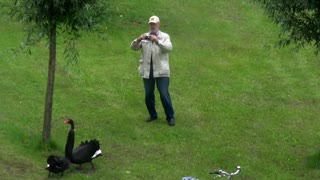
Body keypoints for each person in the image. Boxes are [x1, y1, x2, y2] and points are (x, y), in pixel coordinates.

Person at [130, 15, 175, 126]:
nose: (152, 25)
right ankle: (153, 115)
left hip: (162, 71)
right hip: (147, 70)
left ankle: (170, 117)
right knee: (148, 95)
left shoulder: (164, 36)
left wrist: (157, 41)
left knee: (164, 94)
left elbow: (169, 48)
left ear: (159, 24)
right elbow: (133, 48)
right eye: (151, 24)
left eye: (154, 24)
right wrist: (138, 39)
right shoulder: (145, 37)